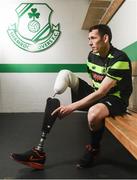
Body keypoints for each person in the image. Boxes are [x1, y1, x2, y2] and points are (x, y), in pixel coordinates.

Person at [10, 24, 132, 169]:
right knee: (65, 74)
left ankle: (94, 149)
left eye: (93, 38)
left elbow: (102, 92)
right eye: (88, 39)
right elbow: (95, 85)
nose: (89, 42)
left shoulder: (120, 58)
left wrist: (71, 107)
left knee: (93, 113)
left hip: (116, 99)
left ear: (105, 38)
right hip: (98, 93)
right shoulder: (92, 56)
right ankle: (39, 150)